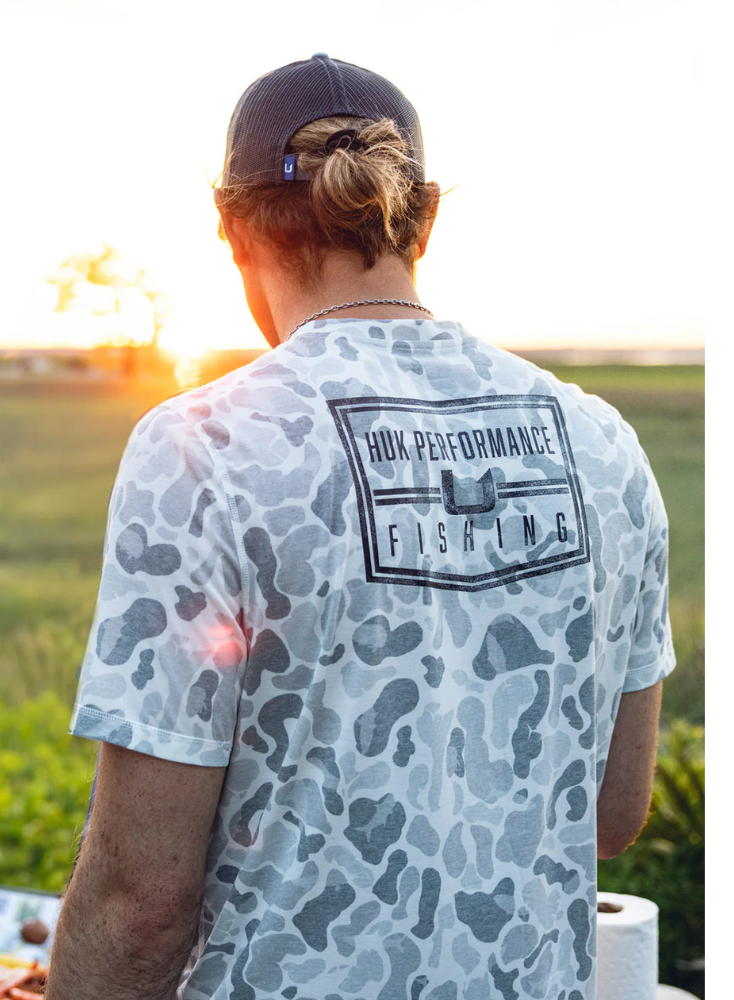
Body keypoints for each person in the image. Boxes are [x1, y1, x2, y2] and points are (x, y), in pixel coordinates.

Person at [48, 54, 675, 1000]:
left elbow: (140, 903)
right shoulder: (601, 443)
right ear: (423, 214)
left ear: (229, 227)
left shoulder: (202, 449)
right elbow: (608, 814)